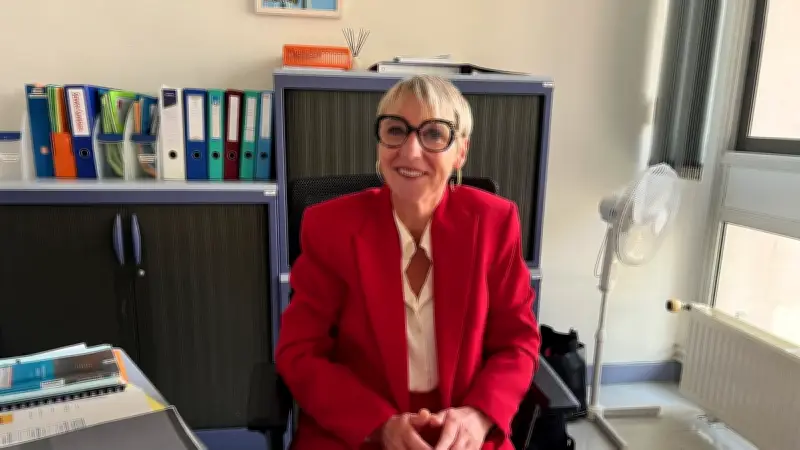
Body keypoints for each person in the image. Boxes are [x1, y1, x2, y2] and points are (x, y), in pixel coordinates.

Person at [275, 75, 541, 450]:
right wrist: (377, 424)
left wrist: (479, 415)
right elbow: (300, 351)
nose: (411, 151)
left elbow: (517, 342)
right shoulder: (330, 226)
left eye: (434, 134)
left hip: (461, 431)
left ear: (460, 152)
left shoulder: (494, 223)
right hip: (357, 430)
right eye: (396, 130)